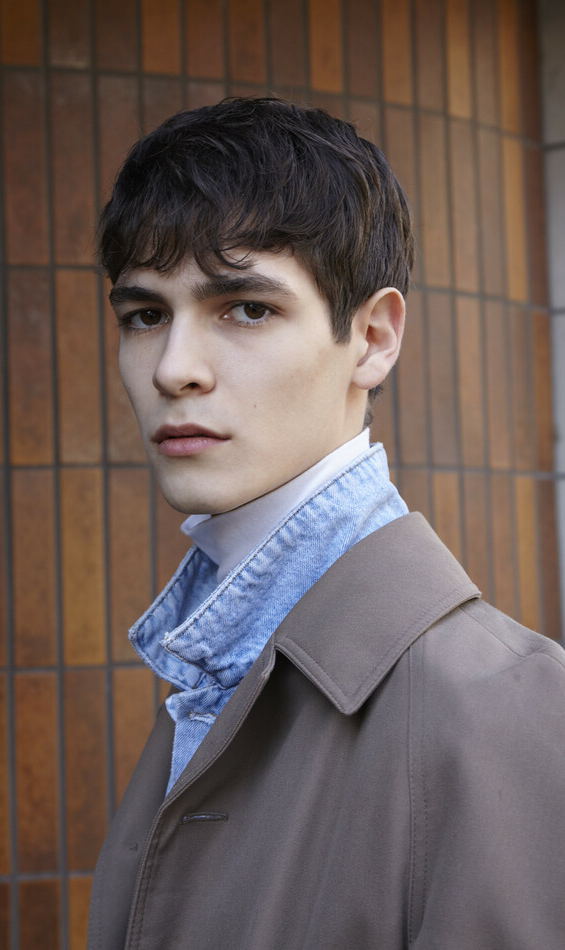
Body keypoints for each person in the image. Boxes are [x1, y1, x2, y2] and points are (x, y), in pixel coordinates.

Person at [88, 98, 565, 950]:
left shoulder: (499, 708)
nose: (172, 369)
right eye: (145, 315)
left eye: (245, 308)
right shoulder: (208, 666)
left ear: (373, 338)